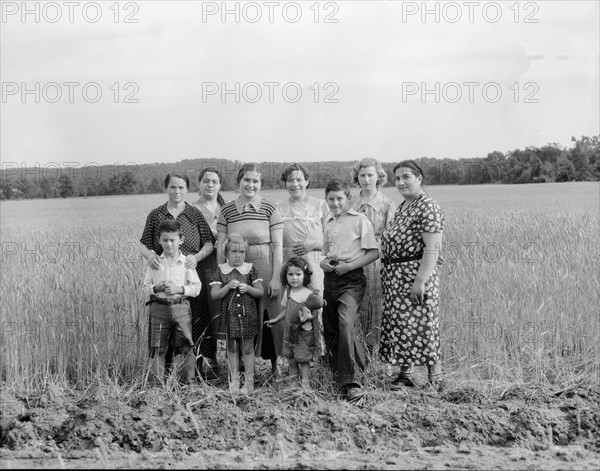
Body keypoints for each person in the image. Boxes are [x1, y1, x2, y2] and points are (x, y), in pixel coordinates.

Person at [140, 172, 215, 379]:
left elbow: (209, 243)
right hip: (161, 271)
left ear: (187, 189)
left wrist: (196, 258)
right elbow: (143, 244)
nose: (177, 191)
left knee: (193, 326)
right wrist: (151, 257)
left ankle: (196, 372)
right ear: (166, 188)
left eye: (181, 187)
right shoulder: (156, 215)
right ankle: (164, 375)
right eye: (173, 187)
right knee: (161, 334)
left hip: (188, 273)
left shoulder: (194, 213)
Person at [379, 160, 445, 389]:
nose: (400, 182)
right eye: (397, 178)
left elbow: (432, 249)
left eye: (406, 177)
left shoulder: (427, 206)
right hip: (395, 278)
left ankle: (435, 380)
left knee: (424, 325)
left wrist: (420, 281)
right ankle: (405, 376)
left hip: (415, 277)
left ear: (419, 178)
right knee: (402, 326)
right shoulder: (404, 206)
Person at [216, 163, 284, 379]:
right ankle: (241, 369)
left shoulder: (270, 208)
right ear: (239, 182)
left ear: (260, 184)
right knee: (239, 313)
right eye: (247, 180)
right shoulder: (227, 210)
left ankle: (275, 365)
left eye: (255, 181)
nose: (251, 184)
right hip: (237, 267)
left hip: (265, 265)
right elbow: (220, 246)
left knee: (269, 312)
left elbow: (278, 246)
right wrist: (222, 275)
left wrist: (275, 277)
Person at [320, 178, 379, 401]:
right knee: (331, 326)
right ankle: (340, 373)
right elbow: (326, 252)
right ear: (326, 200)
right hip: (330, 276)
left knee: (346, 322)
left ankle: (353, 381)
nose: (335, 203)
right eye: (330, 199)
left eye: (339, 199)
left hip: (351, 278)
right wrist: (322, 263)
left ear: (348, 198)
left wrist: (349, 267)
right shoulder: (327, 221)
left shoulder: (360, 221)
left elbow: (373, 252)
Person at [276, 163, 329, 355]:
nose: (295, 183)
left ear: (307, 181)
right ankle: (295, 357)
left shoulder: (321, 205)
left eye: (299, 179)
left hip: (315, 265)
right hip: (290, 267)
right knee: (292, 309)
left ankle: (320, 354)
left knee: (315, 308)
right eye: (290, 180)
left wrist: (312, 244)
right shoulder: (278, 208)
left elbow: (333, 241)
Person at [142, 220, 202, 385]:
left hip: (181, 307)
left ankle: (191, 382)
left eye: (172, 240)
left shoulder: (186, 263)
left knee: (186, 346)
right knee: (159, 347)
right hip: (159, 308)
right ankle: (158, 384)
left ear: (180, 240)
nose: (168, 244)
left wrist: (179, 289)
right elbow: (145, 286)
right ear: (159, 240)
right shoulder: (154, 263)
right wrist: (156, 288)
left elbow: (196, 287)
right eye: (165, 240)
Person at [349, 158, 397, 355]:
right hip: (353, 260)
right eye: (362, 175)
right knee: (357, 306)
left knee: (379, 307)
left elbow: (394, 238)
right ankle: (359, 354)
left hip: (379, 262)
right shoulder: (350, 203)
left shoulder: (387, 205)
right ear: (357, 177)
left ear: (379, 177)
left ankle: (381, 356)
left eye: (370, 175)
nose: (366, 179)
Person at [210, 234, 264, 393]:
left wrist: (248, 289)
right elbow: (215, 295)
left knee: (247, 349)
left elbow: (260, 292)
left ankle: (249, 383)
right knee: (232, 349)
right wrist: (227, 287)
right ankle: (233, 382)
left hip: (248, 317)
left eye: (241, 252)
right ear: (226, 254)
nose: (238, 255)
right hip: (230, 318)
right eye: (234, 251)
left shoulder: (250, 269)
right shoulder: (221, 271)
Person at [267, 257, 325, 390]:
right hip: (289, 332)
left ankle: (305, 384)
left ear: (305, 276)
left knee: (303, 359)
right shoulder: (288, 292)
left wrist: (308, 317)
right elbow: (286, 310)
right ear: (285, 276)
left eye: (298, 274)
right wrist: (276, 319)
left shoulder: (308, 294)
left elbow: (315, 313)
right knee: (291, 359)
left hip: (303, 333)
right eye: (290, 274)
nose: (294, 278)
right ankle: (294, 383)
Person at [193, 166, 227, 377]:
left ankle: (226, 359)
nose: (210, 184)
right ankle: (203, 359)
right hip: (200, 265)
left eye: (214, 181)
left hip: (223, 265)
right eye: (206, 180)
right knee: (201, 312)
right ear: (199, 183)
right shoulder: (192, 209)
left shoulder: (226, 208)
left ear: (220, 184)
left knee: (220, 312)